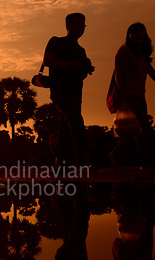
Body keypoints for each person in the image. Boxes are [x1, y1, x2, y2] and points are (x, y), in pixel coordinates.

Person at [108, 23, 155, 167]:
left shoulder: (143, 57)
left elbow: (154, 75)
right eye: (134, 33)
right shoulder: (124, 50)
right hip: (128, 95)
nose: (138, 35)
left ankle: (121, 156)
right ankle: (143, 158)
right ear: (129, 35)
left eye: (141, 33)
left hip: (140, 96)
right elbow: (118, 72)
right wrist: (122, 91)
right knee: (140, 128)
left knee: (137, 130)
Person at [43, 13, 95, 166]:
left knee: (66, 126)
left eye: (82, 25)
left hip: (76, 91)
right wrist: (69, 66)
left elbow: (81, 74)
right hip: (60, 89)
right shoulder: (56, 42)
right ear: (67, 26)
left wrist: (84, 69)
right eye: (76, 24)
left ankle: (61, 161)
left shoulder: (81, 51)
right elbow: (47, 60)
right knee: (75, 121)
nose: (80, 28)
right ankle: (83, 158)